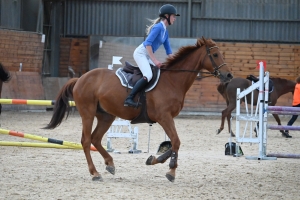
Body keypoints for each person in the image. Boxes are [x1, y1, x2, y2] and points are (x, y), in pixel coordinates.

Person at [124, 4, 180, 107]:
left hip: (147, 55)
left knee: (158, 72)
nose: (174, 19)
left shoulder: (165, 32)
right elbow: (147, 44)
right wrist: (155, 60)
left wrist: (180, 62)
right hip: (141, 53)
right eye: (173, 16)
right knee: (148, 75)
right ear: (167, 16)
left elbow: (169, 52)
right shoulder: (158, 27)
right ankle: (129, 98)